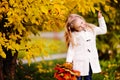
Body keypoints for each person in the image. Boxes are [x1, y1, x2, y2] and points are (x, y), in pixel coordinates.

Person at [64, 11, 107, 80]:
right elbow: (71, 49)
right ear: (75, 28)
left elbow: (103, 30)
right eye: (79, 27)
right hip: (78, 61)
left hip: (89, 60)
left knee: (88, 77)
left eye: (82, 22)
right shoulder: (74, 35)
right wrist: (68, 61)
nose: (82, 25)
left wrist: (100, 18)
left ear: (82, 19)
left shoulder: (91, 30)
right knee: (78, 77)